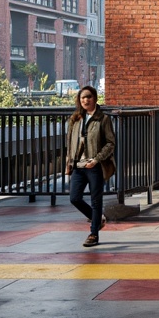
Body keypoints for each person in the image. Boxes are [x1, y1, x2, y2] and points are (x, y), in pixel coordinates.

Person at [65, 85, 116, 248]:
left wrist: (97, 159)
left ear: (95, 98)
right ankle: (98, 219)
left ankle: (94, 233)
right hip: (78, 166)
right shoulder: (76, 118)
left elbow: (110, 143)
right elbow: (69, 143)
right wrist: (68, 162)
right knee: (74, 198)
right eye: (82, 98)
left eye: (88, 97)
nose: (85, 100)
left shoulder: (103, 119)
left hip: (95, 166)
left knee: (96, 200)